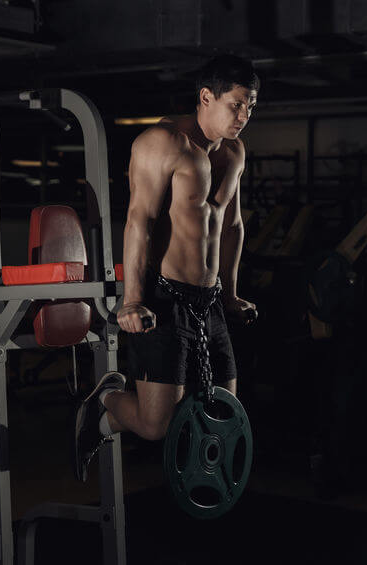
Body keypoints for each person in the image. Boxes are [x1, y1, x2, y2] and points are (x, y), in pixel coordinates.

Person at [74, 55, 259, 481]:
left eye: (251, 106)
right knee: (157, 426)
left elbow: (231, 226)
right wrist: (133, 299)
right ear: (205, 97)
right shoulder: (162, 143)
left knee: (223, 414)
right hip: (164, 298)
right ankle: (103, 406)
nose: (244, 116)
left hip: (209, 300)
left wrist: (229, 294)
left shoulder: (234, 152)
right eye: (236, 105)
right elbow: (140, 220)